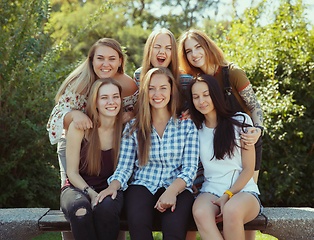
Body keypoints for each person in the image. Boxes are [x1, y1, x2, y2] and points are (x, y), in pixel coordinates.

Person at [95, 67, 199, 240]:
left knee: (174, 231)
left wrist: (171, 192)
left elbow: (190, 169)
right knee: (138, 226)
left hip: (177, 187)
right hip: (142, 184)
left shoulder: (187, 126)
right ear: (145, 92)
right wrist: (112, 186)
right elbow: (124, 167)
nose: (157, 93)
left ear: (172, 91)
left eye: (163, 88)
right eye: (151, 88)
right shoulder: (133, 127)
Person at [47, 38, 136, 240]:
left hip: (113, 139)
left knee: (110, 204)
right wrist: (75, 116)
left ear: (120, 61)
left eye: (112, 58)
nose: (106, 64)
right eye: (100, 58)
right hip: (77, 139)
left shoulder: (128, 85)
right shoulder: (79, 83)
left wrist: (130, 115)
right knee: (76, 200)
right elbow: (55, 120)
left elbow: (139, 109)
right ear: (91, 60)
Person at [187, 74, 262, 240]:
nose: (201, 101)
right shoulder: (194, 130)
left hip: (243, 191)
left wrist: (228, 195)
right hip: (210, 190)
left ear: (216, 94)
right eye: (196, 97)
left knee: (231, 210)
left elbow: (249, 169)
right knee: (200, 212)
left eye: (206, 95)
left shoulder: (241, 121)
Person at [60, 78, 125, 240]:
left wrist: (104, 193)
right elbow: (72, 172)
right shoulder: (80, 127)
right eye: (104, 97)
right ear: (95, 102)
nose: (111, 102)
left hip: (111, 188)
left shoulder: (125, 129)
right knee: (80, 212)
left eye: (115, 96)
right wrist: (91, 193)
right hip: (77, 187)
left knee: (105, 209)